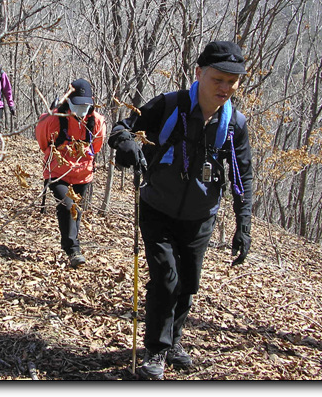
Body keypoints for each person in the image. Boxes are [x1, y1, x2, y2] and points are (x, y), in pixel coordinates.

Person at [108, 41, 253, 380]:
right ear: (199, 73)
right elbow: (122, 128)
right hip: (157, 207)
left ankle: (173, 341)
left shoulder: (235, 125)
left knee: (188, 283)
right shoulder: (170, 104)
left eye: (232, 82)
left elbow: (243, 174)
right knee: (165, 277)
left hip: (201, 215)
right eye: (218, 79)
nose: (226, 88)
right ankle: (155, 350)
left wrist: (243, 224)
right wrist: (128, 143)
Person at [36, 79, 107, 268]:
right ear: (69, 101)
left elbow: (97, 147)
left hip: (83, 174)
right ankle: (73, 250)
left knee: (76, 210)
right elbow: (44, 144)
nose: (82, 109)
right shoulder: (53, 118)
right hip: (57, 172)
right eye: (78, 104)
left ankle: (71, 245)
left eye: (85, 105)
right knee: (67, 206)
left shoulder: (97, 122)